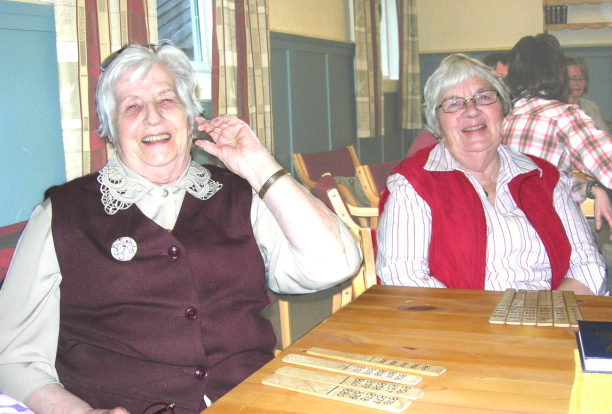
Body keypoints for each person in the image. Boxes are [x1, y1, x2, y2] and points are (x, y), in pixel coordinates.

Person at [0, 41, 362, 413]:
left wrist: (259, 166)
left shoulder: (240, 194)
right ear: (110, 129)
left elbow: (335, 264)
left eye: (167, 100)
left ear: (191, 117)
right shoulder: (61, 215)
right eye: (132, 106)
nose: (153, 117)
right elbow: (13, 358)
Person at [376, 53, 606, 295]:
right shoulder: (413, 184)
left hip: (548, 320)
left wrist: (543, 314)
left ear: (504, 110)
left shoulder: (544, 176)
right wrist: (487, 323)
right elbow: (402, 277)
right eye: (453, 103)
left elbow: (588, 265)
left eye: (484, 97)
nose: (472, 110)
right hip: (460, 327)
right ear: (437, 125)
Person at [503, 34, 612, 238]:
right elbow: (607, 163)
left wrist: (592, 189)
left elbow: (546, 181)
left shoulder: (499, 118)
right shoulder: (562, 116)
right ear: (557, 72)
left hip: (506, 238)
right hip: (550, 236)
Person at [566, 55, 609, 134]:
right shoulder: (556, 108)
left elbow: (605, 137)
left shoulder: (592, 108)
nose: (578, 83)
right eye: (573, 78)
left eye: (582, 78)